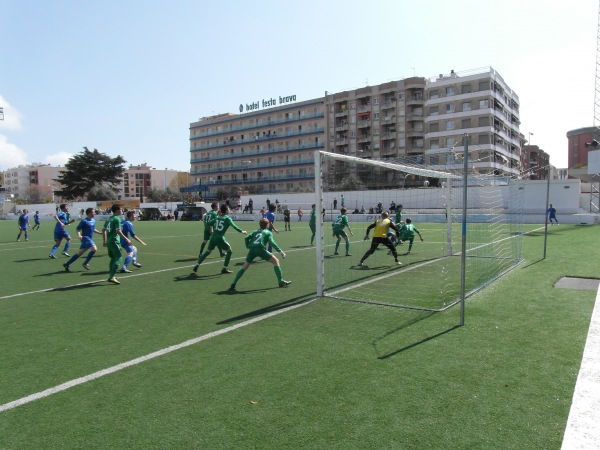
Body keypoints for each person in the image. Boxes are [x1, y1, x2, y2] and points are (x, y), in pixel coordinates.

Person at [228, 218, 291, 291]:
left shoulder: (255, 231)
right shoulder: (268, 232)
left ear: (259, 224)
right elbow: (272, 242)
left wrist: (248, 246)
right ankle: (281, 282)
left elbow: (246, 237)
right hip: (261, 249)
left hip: (252, 250)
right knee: (276, 261)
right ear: (267, 225)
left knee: (245, 266)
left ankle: (233, 284)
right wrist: (281, 251)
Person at [193, 204, 247, 274]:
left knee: (207, 252)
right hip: (220, 238)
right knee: (229, 252)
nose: (229, 210)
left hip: (213, 237)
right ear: (226, 210)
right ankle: (224, 268)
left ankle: (197, 264)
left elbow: (209, 223)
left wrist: (212, 230)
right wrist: (241, 231)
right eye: (228, 208)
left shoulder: (218, 217)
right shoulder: (227, 218)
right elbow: (234, 226)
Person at [63, 208, 102, 272]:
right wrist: (79, 235)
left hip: (89, 238)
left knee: (79, 254)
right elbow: (78, 229)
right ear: (89, 213)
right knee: (94, 249)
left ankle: (67, 264)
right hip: (85, 238)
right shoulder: (84, 221)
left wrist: (100, 233)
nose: (94, 213)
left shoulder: (94, 221)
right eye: (93, 212)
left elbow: (93, 229)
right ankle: (86, 263)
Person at [102, 204, 131, 285]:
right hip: (115, 241)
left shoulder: (109, 218)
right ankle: (112, 277)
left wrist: (104, 241)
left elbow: (103, 230)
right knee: (118, 258)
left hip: (109, 241)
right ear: (117, 210)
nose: (121, 210)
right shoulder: (117, 219)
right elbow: (118, 231)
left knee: (113, 258)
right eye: (121, 209)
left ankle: (111, 275)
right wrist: (126, 239)